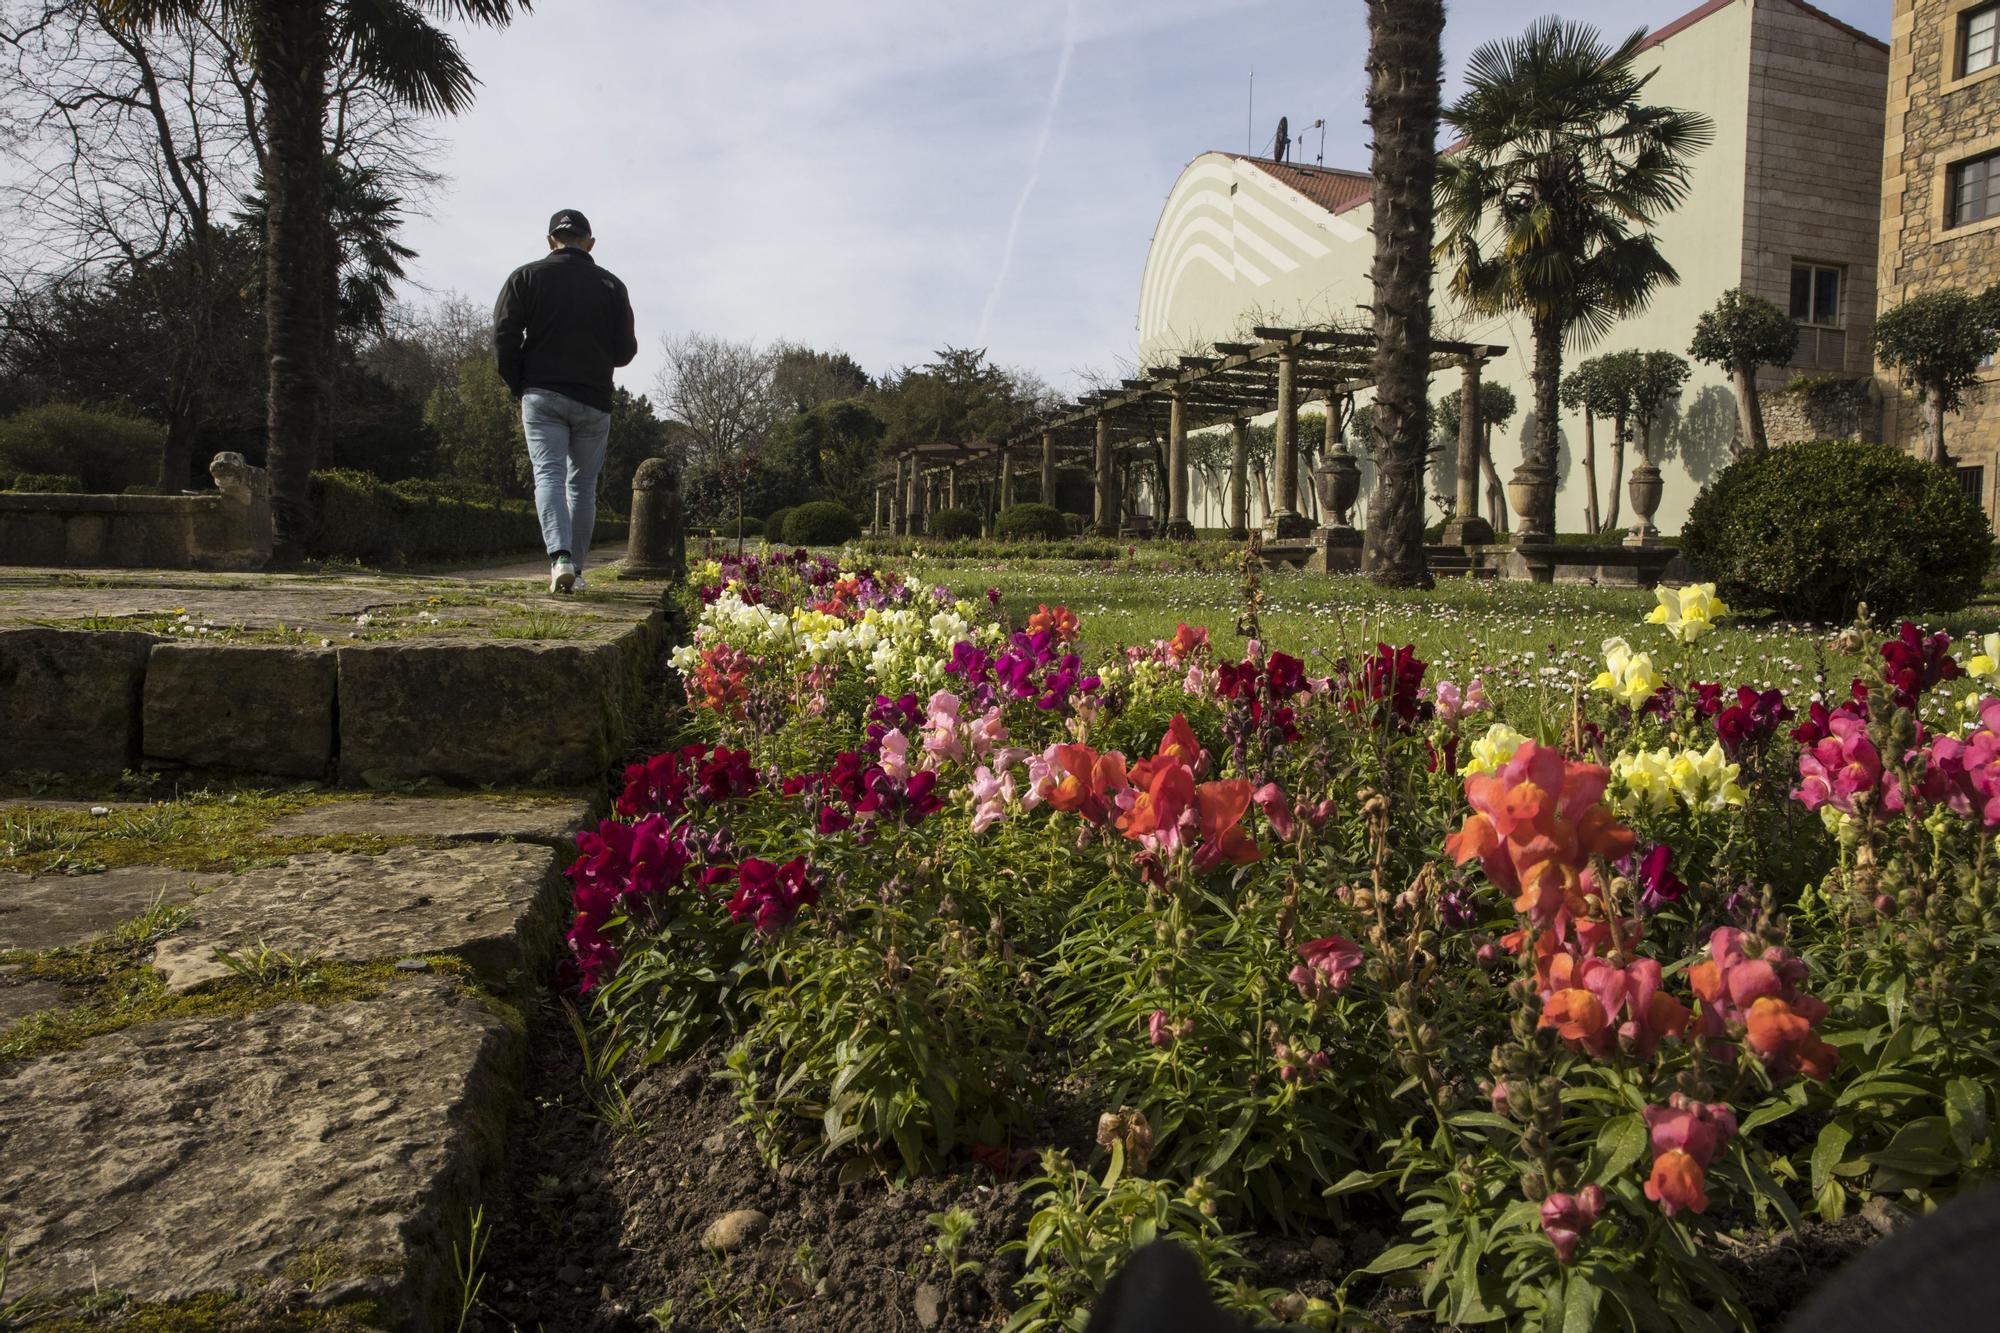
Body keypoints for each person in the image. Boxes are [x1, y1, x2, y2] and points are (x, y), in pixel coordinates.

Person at [493, 208, 638, 594]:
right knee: (583, 487)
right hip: (593, 398)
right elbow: (625, 351)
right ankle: (577, 567)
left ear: (550, 241)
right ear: (590, 244)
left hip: (542, 393)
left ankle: (559, 560)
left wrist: (519, 383)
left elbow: (504, 337)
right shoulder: (612, 286)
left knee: (549, 476)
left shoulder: (526, 277)